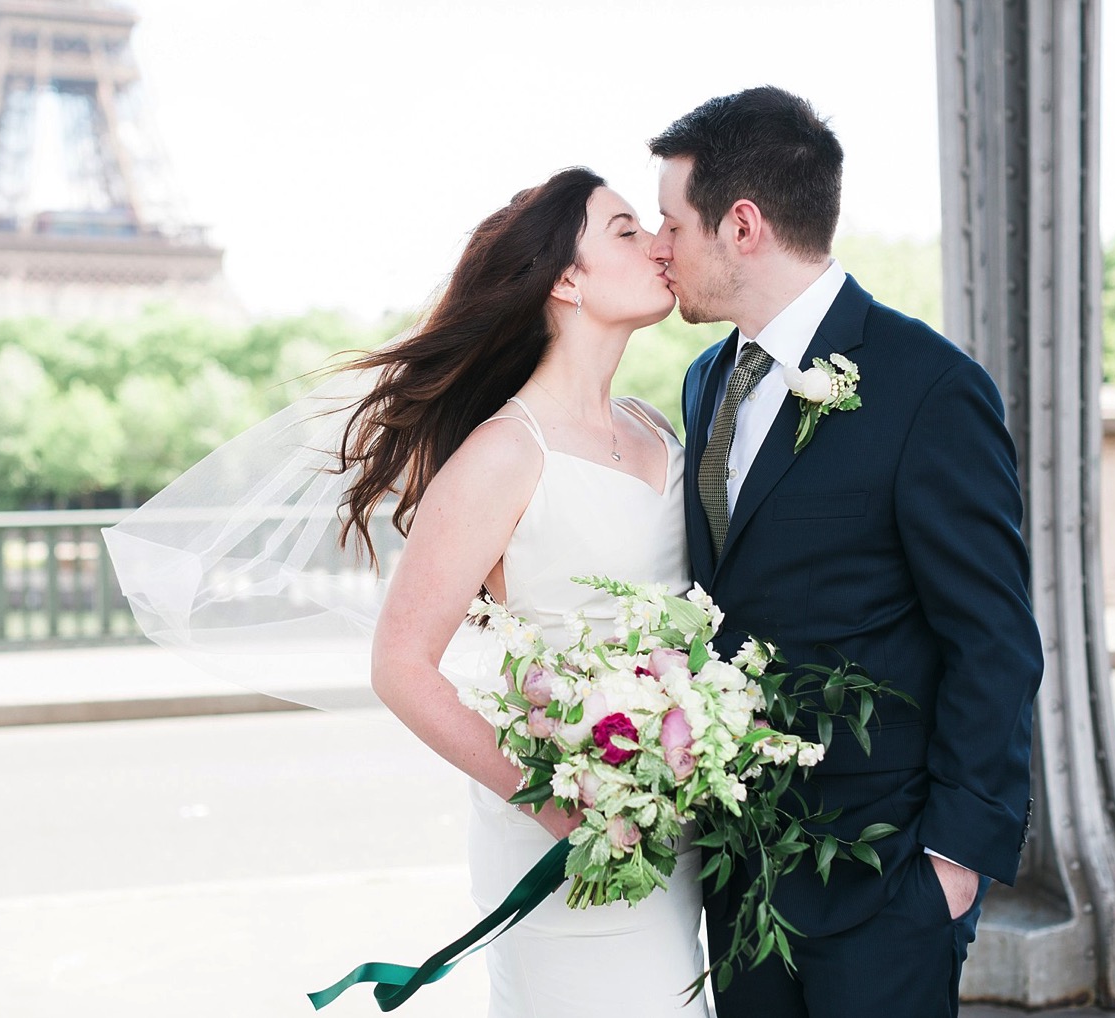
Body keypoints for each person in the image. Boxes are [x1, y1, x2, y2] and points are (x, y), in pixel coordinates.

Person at [648, 87, 1043, 1017]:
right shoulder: (707, 381)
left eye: (670, 222)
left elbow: (995, 640)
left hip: (885, 880)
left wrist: (949, 868)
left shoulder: (930, 386)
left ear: (740, 225)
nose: (658, 246)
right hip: (739, 878)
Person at [337, 167, 711, 1017]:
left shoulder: (654, 426)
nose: (659, 242)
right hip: (562, 833)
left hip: (673, 826)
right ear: (567, 279)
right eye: (625, 230)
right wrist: (555, 801)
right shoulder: (506, 453)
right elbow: (400, 664)